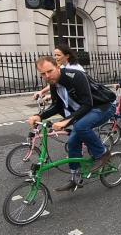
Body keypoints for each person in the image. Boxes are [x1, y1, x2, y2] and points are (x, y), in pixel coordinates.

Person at [26, 56, 115, 192]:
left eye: (49, 71)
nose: (47, 76)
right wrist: (39, 116)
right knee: (73, 142)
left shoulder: (75, 76)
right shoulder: (54, 83)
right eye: (43, 74)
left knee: (80, 126)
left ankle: (103, 153)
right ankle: (75, 178)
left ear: (57, 66)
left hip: (103, 106)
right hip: (85, 112)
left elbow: (87, 103)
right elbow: (57, 106)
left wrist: (66, 121)